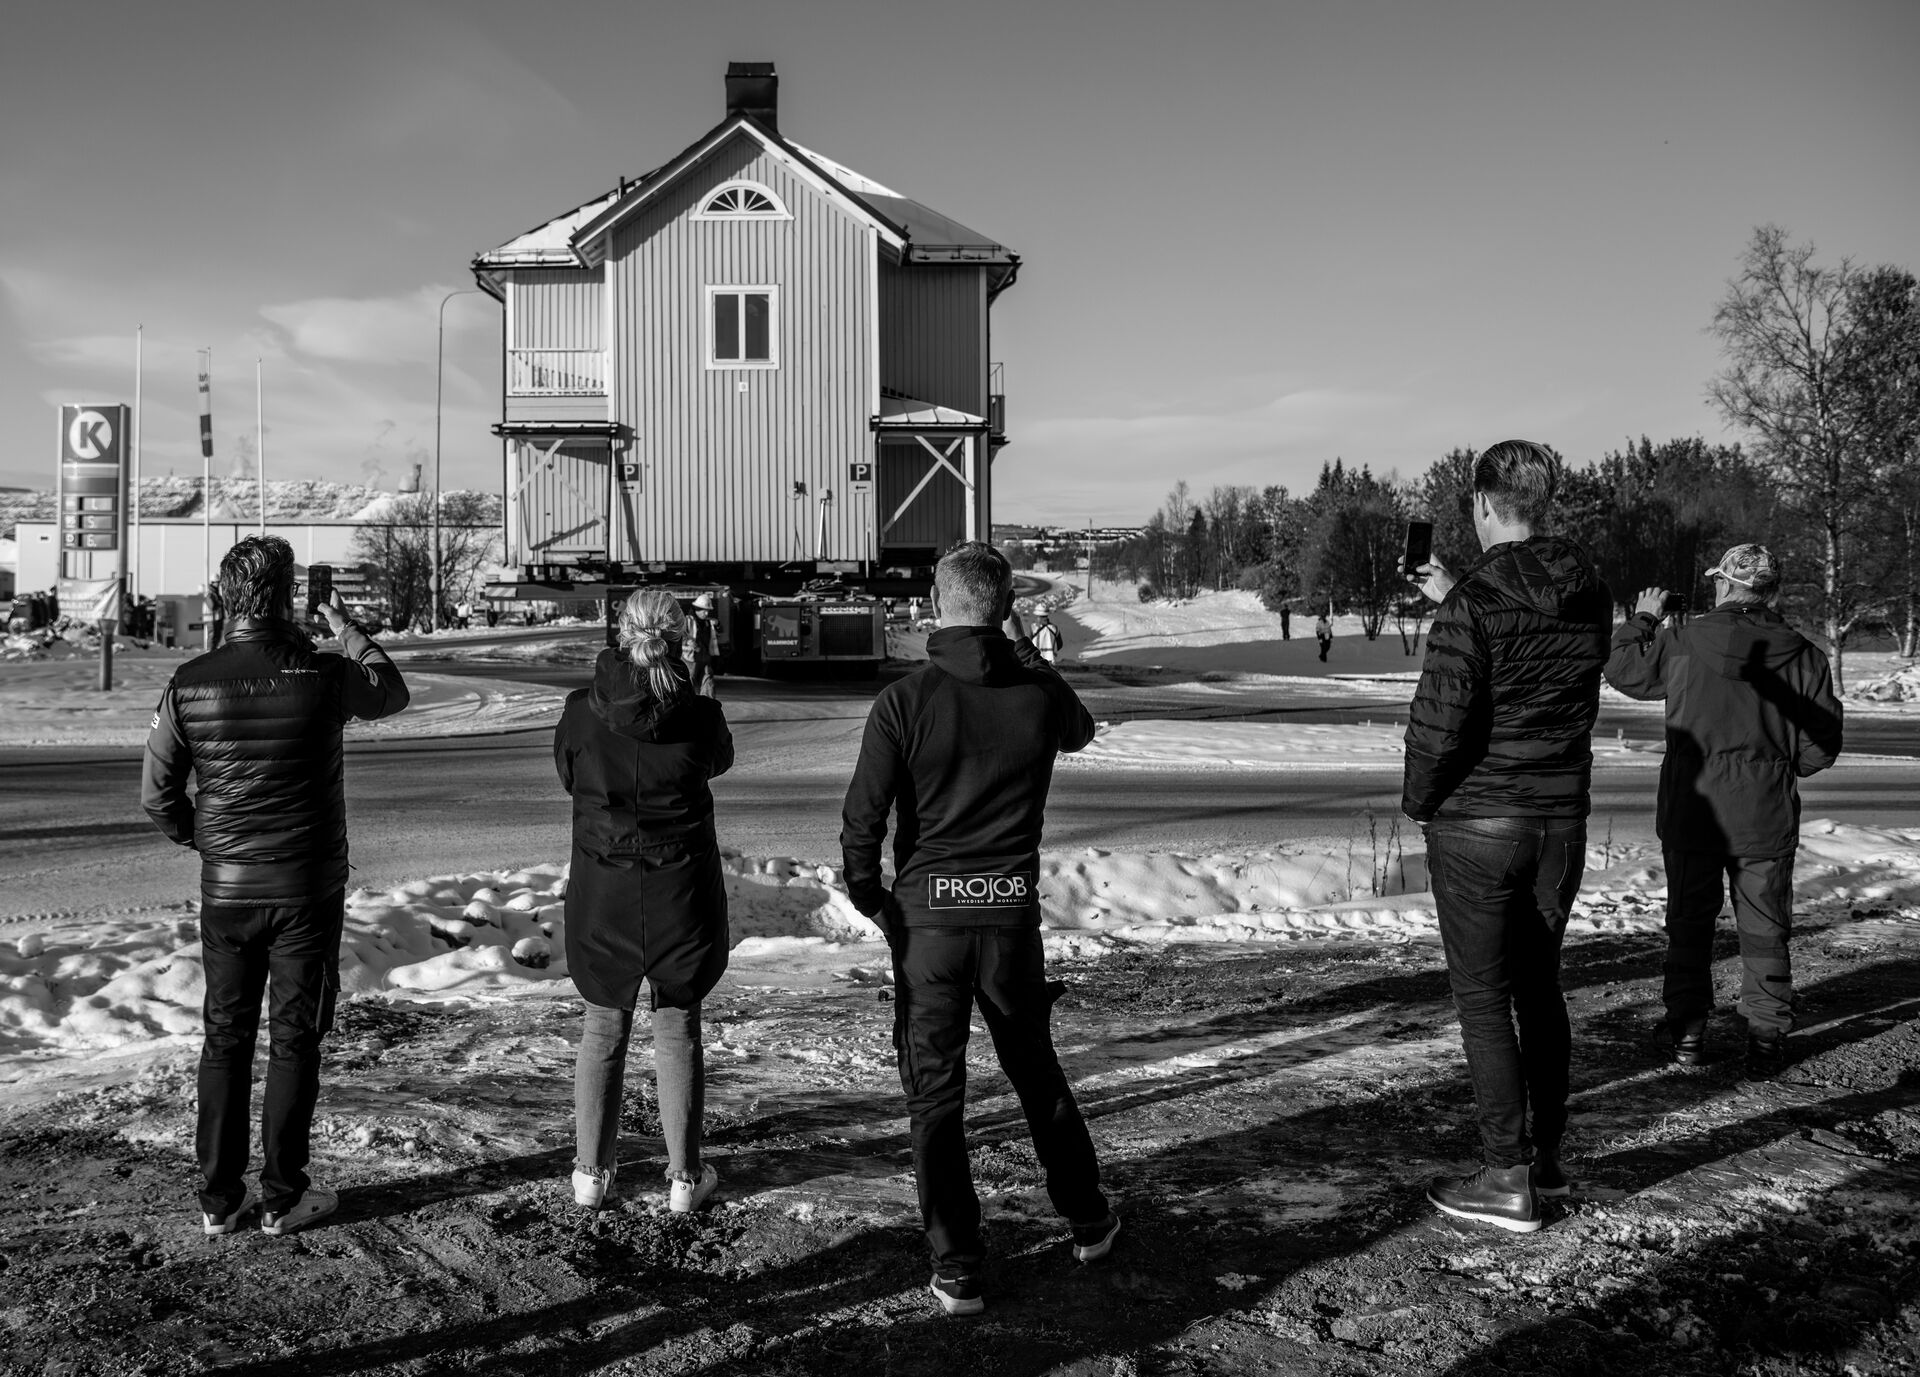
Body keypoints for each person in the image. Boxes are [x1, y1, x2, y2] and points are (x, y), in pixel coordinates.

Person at [840, 541, 1116, 1318]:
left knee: (935, 1095)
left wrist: (877, 903)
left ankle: (958, 1265)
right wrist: (1023, 648)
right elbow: (1080, 726)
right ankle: (1088, 1217)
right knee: (1034, 1070)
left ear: (937, 604)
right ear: (1006, 609)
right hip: (1008, 915)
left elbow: (862, 823)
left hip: (928, 920)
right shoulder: (1035, 692)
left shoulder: (905, 699)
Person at [141, 535, 410, 1237]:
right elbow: (391, 691)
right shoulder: (323, 672)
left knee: (224, 1038)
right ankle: (283, 1196)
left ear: (226, 598)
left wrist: (209, 841)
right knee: (295, 1040)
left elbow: (157, 794)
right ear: (289, 597)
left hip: (228, 891)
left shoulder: (189, 680)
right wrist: (345, 627)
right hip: (305, 889)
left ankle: (218, 1199)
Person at [1402, 440, 1611, 1234]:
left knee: (1484, 998)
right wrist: (1459, 591)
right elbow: (1537, 648)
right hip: (1560, 821)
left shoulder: (1473, 604)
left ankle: (1503, 1175)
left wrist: (1420, 801)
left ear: (1484, 504)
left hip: (1481, 823)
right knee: (1539, 988)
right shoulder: (1589, 593)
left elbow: (1440, 726)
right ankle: (1546, 1159)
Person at [1604, 544, 1842, 1073]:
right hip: (1764, 812)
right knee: (1765, 926)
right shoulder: (1805, 656)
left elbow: (1622, 670)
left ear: (1723, 586)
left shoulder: (1682, 641)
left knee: (1690, 923)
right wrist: (1780, 766)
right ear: (1771, 592)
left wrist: (1644, 617)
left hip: (1694, 810)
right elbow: (1821, 746)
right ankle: (1766, 1037)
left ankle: (1687, 1033)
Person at [555, 588, 734, 1215]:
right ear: (680, 637)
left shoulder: (580, 712)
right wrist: (701, 692)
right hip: (679, 889)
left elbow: (571, 775)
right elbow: (718, 761)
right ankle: (684, 1178)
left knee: (603, 1025)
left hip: (604, 889)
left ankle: (589, 1174)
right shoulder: (700, 715)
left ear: (620, 631)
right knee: (678, 1025)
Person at [687, 593, 719, 697]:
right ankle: (689, 704)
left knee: (708, 682)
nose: (706, 613)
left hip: (705, 657)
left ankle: (708, 704)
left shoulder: (707, 622)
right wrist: (688, 641)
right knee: (689, 683)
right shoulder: (687, 620)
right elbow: (680, 634)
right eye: (704, 611)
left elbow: (719, 631)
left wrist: (717, 624)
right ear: (697, 609)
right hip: (690, 659)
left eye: (708, 611)